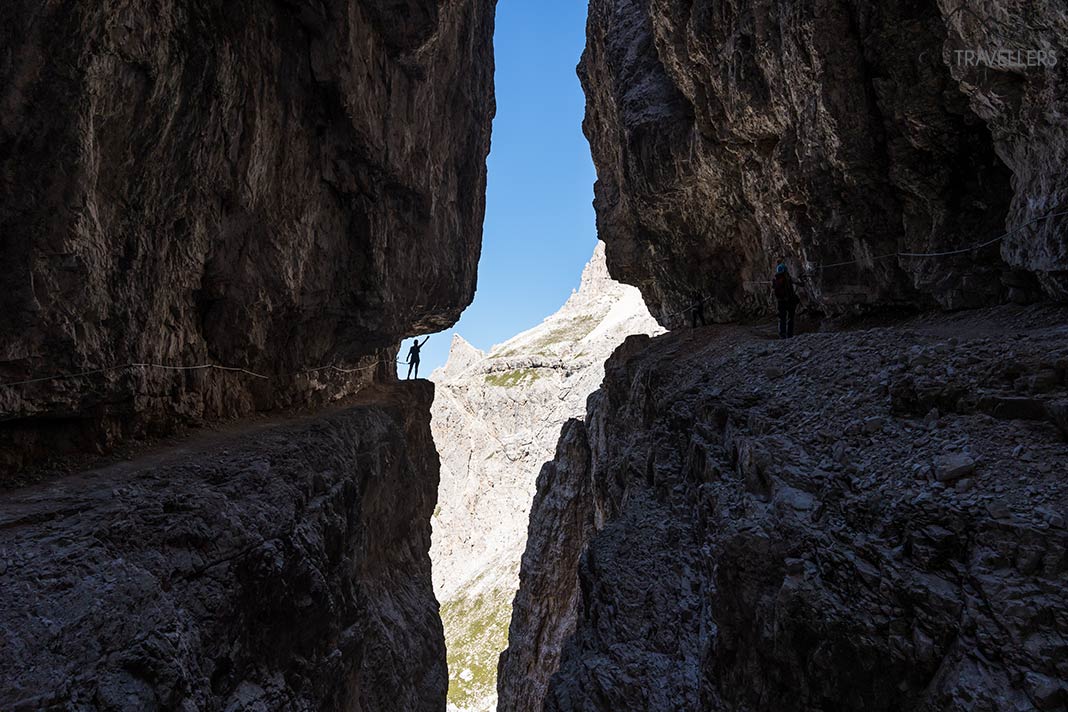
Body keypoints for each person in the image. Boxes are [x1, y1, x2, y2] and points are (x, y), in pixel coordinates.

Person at [772, 263, 798, 338]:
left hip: (781, 302)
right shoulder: (788, 278)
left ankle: (782, 335)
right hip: (789, 301)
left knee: (782, 319)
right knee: (790, 319)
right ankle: (789, 335)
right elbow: (798, 283)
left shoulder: (775, 280)